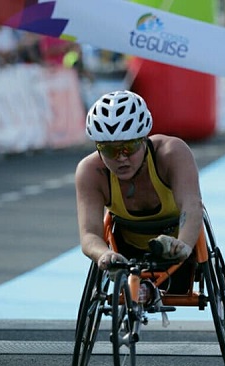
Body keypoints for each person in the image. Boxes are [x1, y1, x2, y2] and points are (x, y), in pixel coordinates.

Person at [75, 90, 203, 298]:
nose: (121, 158)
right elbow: (89, 234)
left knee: (177, 287)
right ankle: (144, 291)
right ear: (98, 148)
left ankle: (150, 289)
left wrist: (185, 245)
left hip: (176, 247)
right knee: (126, 281)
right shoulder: (90, 171)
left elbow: (192, 205)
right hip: (126, 252)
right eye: (110, 150)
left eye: (129, 147)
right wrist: (104, 255)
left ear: (144, 139)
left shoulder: (172, 153)